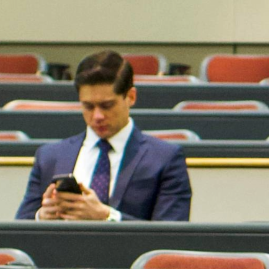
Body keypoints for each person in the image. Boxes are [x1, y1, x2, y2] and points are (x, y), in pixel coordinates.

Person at [15, 50, 191, 222]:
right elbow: (21, 226)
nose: (97, 116)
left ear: (130, 97)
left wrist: (107, 217)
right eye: (88, 106)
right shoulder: (49, 157)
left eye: (107, 105)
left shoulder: (165, 159)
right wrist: (41, 217)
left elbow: (169, 234)